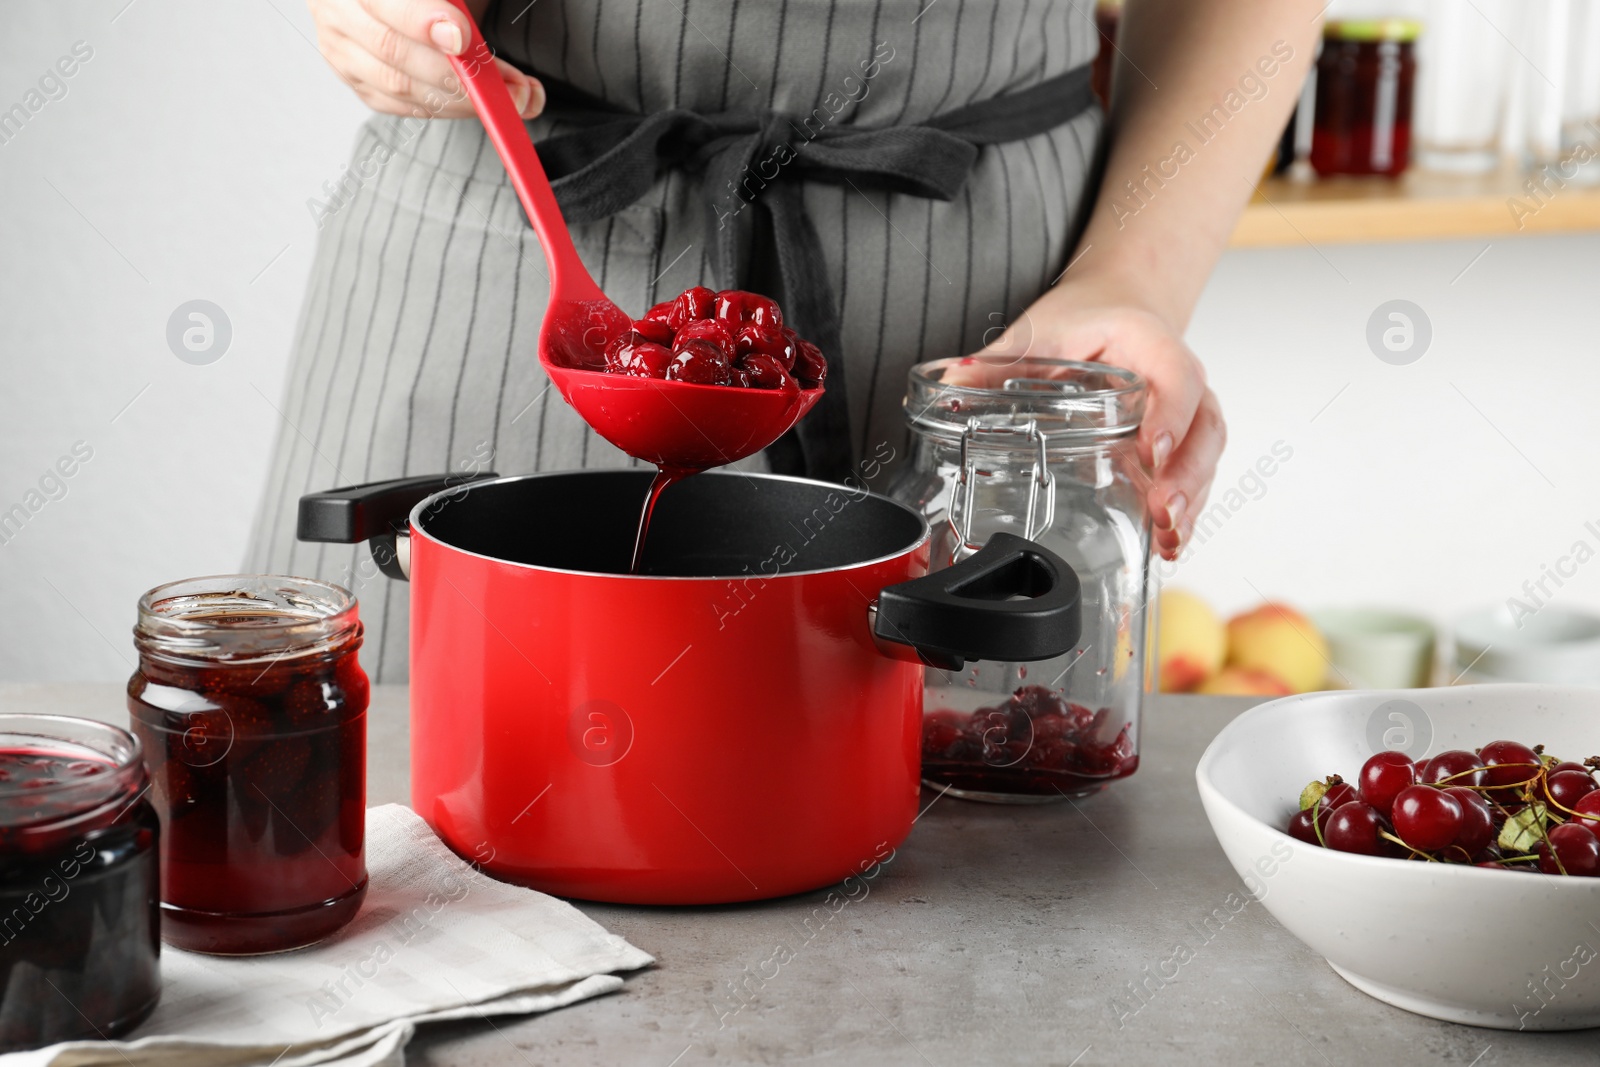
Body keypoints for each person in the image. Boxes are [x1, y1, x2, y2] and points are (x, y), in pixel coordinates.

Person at [249, 0, 1321, 680]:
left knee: (966, 912)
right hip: (494, 225)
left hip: (981, 312)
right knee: (391, 852)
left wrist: (1131, 279)